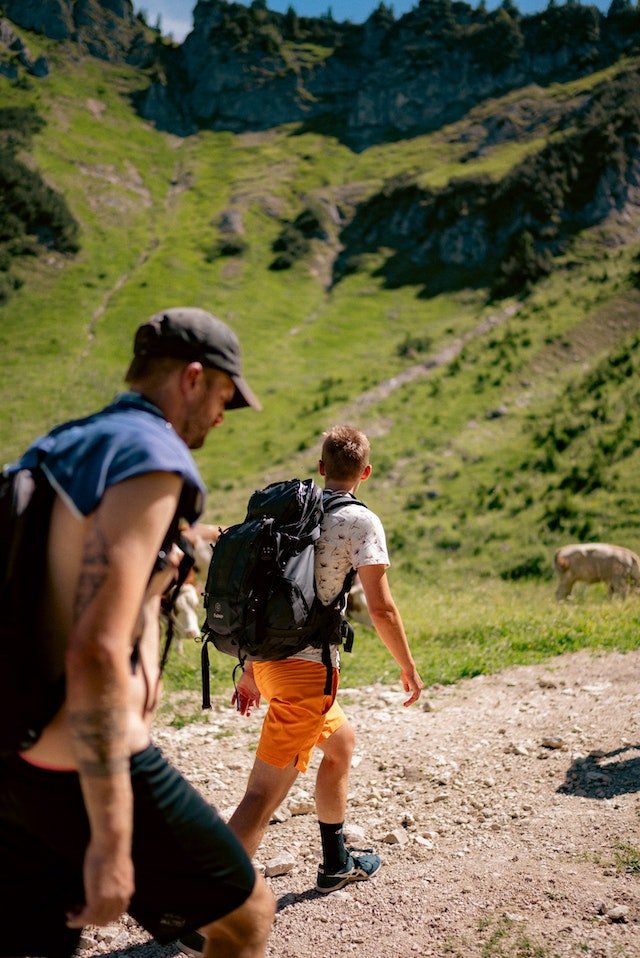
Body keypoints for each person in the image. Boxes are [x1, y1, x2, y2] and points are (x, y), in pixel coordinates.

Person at [0, 307, 275, 958]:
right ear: (193, 378)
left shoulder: (59, 446)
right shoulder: (150, 452)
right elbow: (96, 649)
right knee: (246, 916)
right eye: (224, 399)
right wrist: (114, 839)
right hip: (81, 756)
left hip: (13, 752)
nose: (218, 420)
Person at [232, 425, 424, 888]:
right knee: (261, 795)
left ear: (321, 469)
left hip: (271, 661)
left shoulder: (291, 512)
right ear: (366, 472)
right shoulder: (361, 521)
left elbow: (263, 593)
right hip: (306, 674)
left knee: (340, 746)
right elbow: (380, 607)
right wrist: (408, 666)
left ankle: (336, 862)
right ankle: (203, 910)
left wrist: (252, 670)